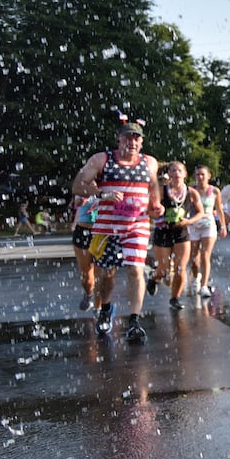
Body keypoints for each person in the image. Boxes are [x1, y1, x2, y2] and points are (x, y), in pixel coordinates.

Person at [70, 116, 162, 343]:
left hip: (137, 225)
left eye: (136, 139)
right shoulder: (102, 159)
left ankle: (134, 321)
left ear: (141, 142)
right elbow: (77, 185)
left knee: (135, 270)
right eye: (127, 138)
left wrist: (156, 204)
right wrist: (102, 194)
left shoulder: (149, 162)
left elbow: (154, 185)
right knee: (106, 275)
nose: (132, 143)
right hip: (106, 226)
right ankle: (106, 308)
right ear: (119, 139)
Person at [146, 161, 205, 311]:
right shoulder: (161, 190)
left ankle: (175, 298)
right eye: (173, 170)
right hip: (163, 231)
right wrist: (156, 214)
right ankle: (154, 278)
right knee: (164, 269)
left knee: (180, 268)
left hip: (182, 231)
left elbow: (201, 212)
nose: (176, 173)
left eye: (179, 170)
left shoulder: (191, 192)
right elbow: (149, 211)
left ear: (185, 174)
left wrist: (189, 221)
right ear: (169, 174)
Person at [187, 166, 224, 297]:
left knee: (205, 255)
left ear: (209, 176)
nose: (200, 177)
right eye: (197, 175)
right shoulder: (191, 190)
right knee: (194, 257)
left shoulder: (214, 191)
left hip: (208, 224)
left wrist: (223, 226)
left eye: (203, 174)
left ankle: (204, 285)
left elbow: (219, 208)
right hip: (193, 225)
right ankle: (196, 277)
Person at [70, 195, 99, 311]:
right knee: (87, 276)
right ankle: (89, 294)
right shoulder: (83, 181)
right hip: (83, 231)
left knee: (103, 273)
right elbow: (78, 203)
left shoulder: (109, 181)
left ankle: (100, 309)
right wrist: (75, 222)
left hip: (103, 230)